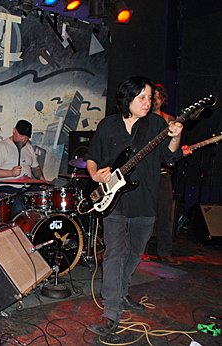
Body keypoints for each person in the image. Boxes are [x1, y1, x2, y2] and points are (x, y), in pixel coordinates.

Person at [83, 76, 183, 336]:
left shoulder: (157, 124)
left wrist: (176, 136)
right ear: (127, 99)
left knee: (134, 255)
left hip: (145, 200)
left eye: (150, 98)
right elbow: (91, 158)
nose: (148, 102)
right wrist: (96, 176)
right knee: (115, 254)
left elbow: (170, 157)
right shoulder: (108, 126)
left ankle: (122, 291)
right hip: (113, 203)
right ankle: (111, 312)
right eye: (142, 97)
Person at [142, 84, 186, 265]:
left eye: (158, 97)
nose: (155, 101)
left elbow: (171, 151)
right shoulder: (142, 119)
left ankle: (164, 251)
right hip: (145, 174)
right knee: (143, 213)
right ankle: (141, 250)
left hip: (162, 173)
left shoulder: (169, 120)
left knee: (166, 214)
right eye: (152, 97)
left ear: (163, 101)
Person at [0, 119, 46, 217]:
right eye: (21, 136)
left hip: (26, 187)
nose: (23, 140)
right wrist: (11, 173)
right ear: (14, 131)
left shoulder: (29, 148)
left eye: (26, 137)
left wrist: (42, 179)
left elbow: (35, 168)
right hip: (5, 187)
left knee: (43, 199)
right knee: (18, 205)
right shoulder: (1, 147)